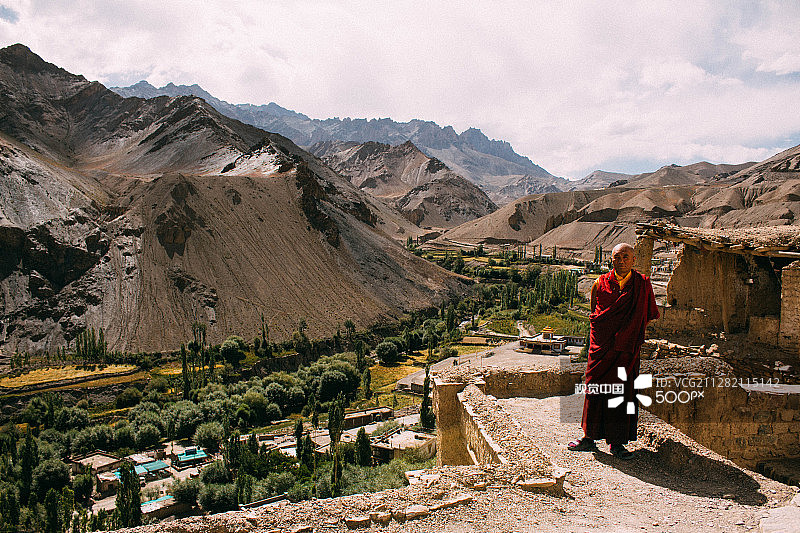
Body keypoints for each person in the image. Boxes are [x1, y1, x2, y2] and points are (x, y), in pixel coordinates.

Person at [568, 242, 659, 459]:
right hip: (602, 348)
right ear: (611, 260)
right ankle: (589, 437)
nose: (621, 261)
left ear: (634, 260)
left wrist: (630, 333)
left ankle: (617, 443)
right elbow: (596, 315)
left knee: (622, 393)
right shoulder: (600, 282)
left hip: (626, 350)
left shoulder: (642, 284)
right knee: (595, 389)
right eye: (617, 257)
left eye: (626, 257)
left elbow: (647, 315)